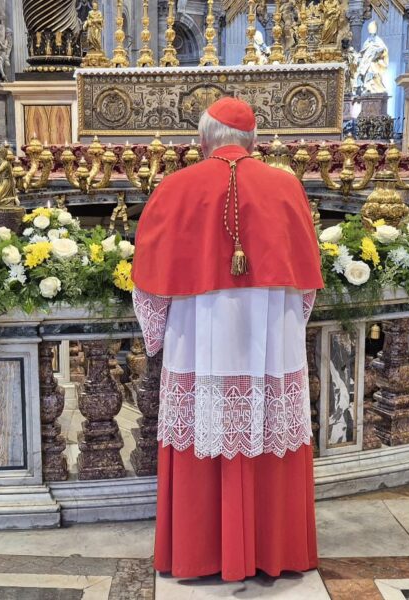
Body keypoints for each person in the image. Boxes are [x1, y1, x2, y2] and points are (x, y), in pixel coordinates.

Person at [132, 97, 323, 581]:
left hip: (196, 334)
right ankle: (273, 548)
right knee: (268, 428)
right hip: (270, 337)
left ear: (202, 141)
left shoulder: (175, 187)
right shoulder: (285, 185)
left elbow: (149, 279)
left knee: (202, 428)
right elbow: (306, 283)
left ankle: (199, 552)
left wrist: (155, 333)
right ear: (254, 140)